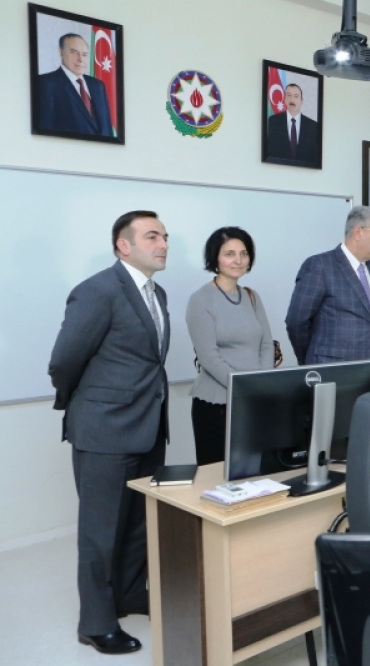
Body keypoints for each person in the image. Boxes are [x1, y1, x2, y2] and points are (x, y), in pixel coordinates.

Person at [48, 211, 170, 655]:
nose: (163, 244)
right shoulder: (98, 290)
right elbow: (64, 360)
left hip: (148, 425)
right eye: (152, 236)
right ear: (124, 245)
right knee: (99, 532)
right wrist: (85, 406)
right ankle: (96, 623)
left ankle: (130, 594)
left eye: (165, 236)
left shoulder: (158, 293)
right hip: (104, 428)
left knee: (138, 522)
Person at [186, 227, 273, 466]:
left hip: (256, 401)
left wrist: (262, 383)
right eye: (229, 254)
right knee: (218, 478)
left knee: (259, 473)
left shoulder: (252, 296)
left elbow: (266, 344)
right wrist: (245, 388)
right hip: (218, 405)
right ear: (215, 258)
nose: (238, 260)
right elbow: (208, 357)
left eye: (243, 253)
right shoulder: (200, 299)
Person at [285, 205, 370, 364]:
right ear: (358, 232)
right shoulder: (320, 266)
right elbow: (297, 321)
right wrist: (310, 360)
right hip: (334, 369)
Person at [36, 33, 114, 137]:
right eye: (74, 52)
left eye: (85, 54)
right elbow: (45, 129)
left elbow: (107, 128)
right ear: (61, 52)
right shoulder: (46, 83)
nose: (81, 59)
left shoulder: (98, 86)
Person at [266, 83, 320, 164]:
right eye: (289, 95)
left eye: (296, 96)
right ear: (284, 99)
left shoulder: (313, 126)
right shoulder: (273, 122)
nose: (292, 100)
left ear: (302, 101)